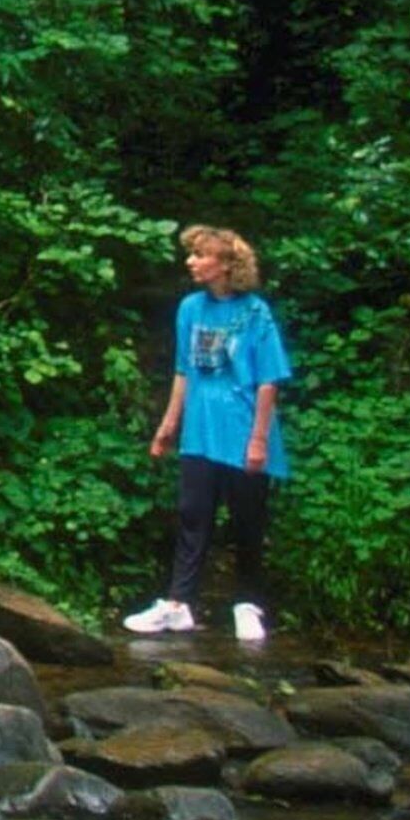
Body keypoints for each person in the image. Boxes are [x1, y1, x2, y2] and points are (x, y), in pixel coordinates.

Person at [123, 224, 291, 643]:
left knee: (247, 521)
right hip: (200, 430)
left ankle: (248, 605)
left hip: (243, 429)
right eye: (192, 254)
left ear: (226, 264)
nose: (191, 261)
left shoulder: (255, 312)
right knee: (192, 515)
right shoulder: (189, 308)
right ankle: (178, 605)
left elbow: (269, 380)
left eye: (201, 255)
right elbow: (184, 370)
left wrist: (258, 440)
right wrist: (167, 426)